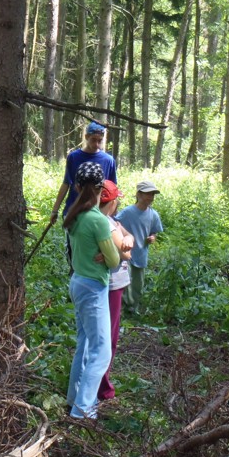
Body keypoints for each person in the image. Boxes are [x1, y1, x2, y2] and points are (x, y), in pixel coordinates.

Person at [64, 163, 121, 419]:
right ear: (100, 188)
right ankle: (83, 409)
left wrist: (104, 253)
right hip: (93, 285)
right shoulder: (97, 219)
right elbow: (114, 261)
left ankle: (74, 398)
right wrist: (108, 253)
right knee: (101, 349)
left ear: (76, 187)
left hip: (77, 281)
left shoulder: (75, 216)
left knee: (85, 343)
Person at [97, 180, 133, 401]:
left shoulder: (110, 220)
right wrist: (125, 245)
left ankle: (102, 384)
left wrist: (127, 238)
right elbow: (127, 254)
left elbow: (129, 237)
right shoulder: (107, 224)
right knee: (107, 336)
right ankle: (103, 387)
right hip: (111, 286)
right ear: (112, 200)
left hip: (113, 284)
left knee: (107, 334)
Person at [50, 121, 117, 226]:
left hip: (98, 213)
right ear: (86, 137)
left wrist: (113, 214)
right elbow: (67, 183)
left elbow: (112, 188)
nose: (96, 144)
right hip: (74, 210)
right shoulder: (74, 157)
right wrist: (55, 209)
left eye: (99, 141)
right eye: (93, 140)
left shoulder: (108, 160)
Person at [115, 181, 164, 315]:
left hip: (141, 253)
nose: (150, 197)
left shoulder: (153, 215)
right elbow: (115, 224)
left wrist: (152, 237)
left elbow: (154, 232)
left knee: (138, 284)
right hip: (126, 253)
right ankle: (124, 308)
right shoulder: (127, 212)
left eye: (152, 194)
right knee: (125, 282)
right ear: (138, 194)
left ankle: (133, 309)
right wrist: (123, 237)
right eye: (147, 194)